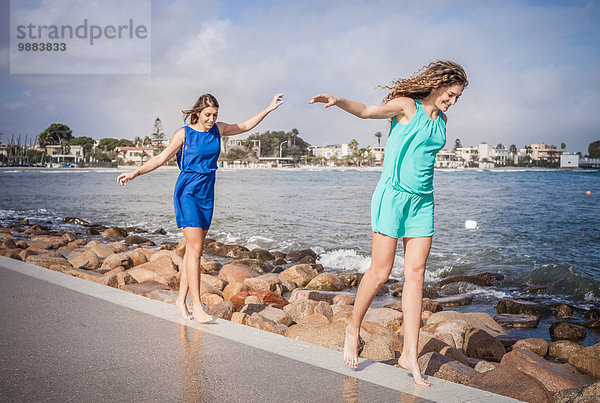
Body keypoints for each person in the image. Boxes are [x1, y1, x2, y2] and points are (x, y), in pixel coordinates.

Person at [309, 60, 467, 386]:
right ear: (437, 85)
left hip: (423, 202)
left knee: (416, 275)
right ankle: (353, 328)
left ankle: (409, 352)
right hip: (392, 197)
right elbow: (368, 110)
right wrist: (339, 101)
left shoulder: (443, 121)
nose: (452, 101)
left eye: (457, 98)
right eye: (450, 94)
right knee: (380, 272)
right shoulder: (407, 107)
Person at [118, 93, 284, 323]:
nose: (211, 119)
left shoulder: (219, 130)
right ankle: (197, 306)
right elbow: (160, 158)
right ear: (197, 113)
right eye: (208, 115)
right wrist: (134, 172)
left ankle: (181, 300)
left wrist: (268, 109)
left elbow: (245, 125)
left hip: (207, 194)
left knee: (192, 251)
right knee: (196, 251)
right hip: (187, 193)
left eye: (215, 115)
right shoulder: (184, 134)